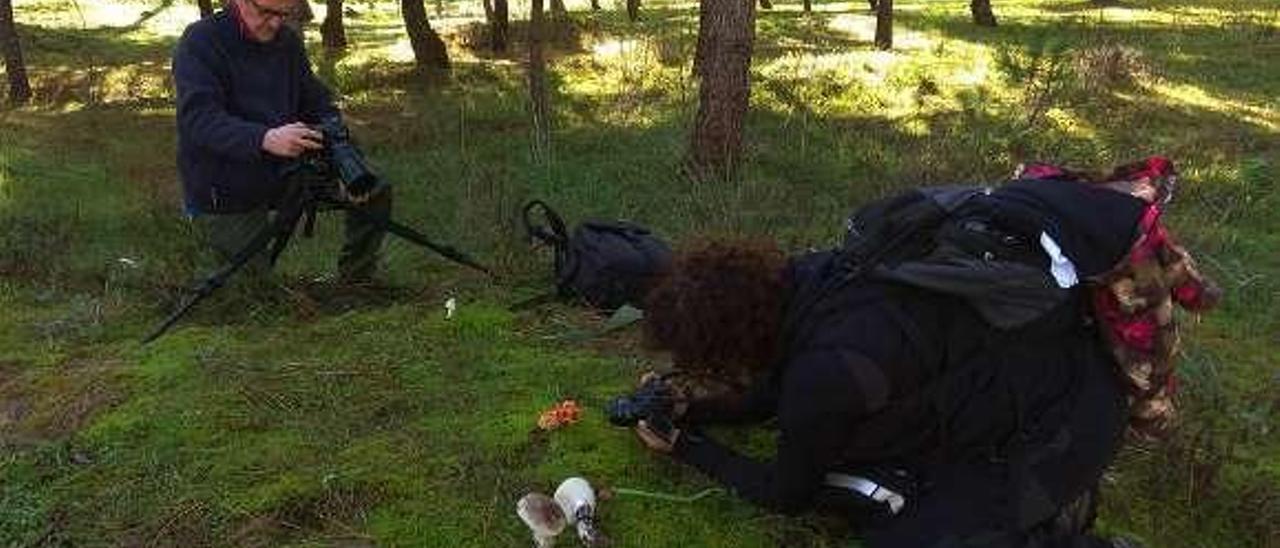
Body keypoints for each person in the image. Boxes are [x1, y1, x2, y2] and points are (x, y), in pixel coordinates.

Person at [626, 164, 1217, 547]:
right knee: (863, 466)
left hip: (1070, 420)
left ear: (728, 343)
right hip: (1053, 363)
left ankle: (1064, 530)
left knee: (905, 531)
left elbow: (788, 489)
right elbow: (784, 395)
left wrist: (688, 449)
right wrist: (693, 407)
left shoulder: (827, 372)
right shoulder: (816, 275)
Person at [172, 0, 392, 285]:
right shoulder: (201, 41)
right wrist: (264, 138)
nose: (276, 23)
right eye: (266, 12)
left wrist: (342, 156)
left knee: (374, 188)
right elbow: (199, 119)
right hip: (225, 182)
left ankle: (355, 281)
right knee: (249, 296)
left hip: (287, 169)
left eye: (284, 15)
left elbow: (317, 102)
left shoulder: (286, 42)